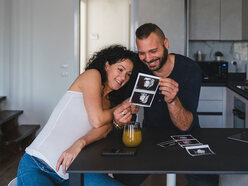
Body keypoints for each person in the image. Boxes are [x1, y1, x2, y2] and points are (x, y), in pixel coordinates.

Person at [17, 45, 140, 186]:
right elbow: (97, 120)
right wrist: (122, 107)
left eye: (128, 74)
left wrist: (80, 143)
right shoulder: (92, 75)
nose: (123, 77)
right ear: (107, 65)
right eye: (120, 69)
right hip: (38, 165)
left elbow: (102, 131)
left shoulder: (109, 102)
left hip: (74, 171)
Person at [113, 23, 219, 186]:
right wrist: (125, 114)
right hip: (150, 135)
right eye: (142, 53)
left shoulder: (190, 69)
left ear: (166, 44)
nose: (148, 59)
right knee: (123, 177)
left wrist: (172, 100)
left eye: (153, 51)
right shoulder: (137, 68)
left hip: (189, 135)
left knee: (206, 181)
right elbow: (128, 112)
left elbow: (185, 126)